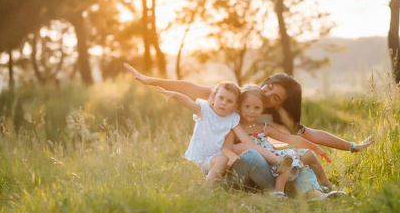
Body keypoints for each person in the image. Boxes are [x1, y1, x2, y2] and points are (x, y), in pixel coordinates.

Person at [123, 62, 374, 193]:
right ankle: (281, 189)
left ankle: (315, 191)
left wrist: (352, 146)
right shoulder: (236, 97)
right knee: (257, 154)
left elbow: (309, 134)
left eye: (274, 97)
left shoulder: (272, 120)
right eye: (268, 87)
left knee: (297, 157)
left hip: (259, 163)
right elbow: (191, 88)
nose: (266, 95)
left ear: (281, 105)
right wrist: (150, 80)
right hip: (231, 161)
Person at [154, 81, 292, 187]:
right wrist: (176, 95)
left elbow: (246, 140)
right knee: (223, 159)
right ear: (214, 97)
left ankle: (278, 162)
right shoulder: (205, 111)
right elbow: (189, 103)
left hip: (221, 155)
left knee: (248, 146)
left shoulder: (232, 118)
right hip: (206, 158)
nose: (224, 103)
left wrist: (251, 147)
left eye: (229, 101)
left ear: (235, 105)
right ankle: (207, 188)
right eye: (221, 98)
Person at [223, 84, 332, 199]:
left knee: (308, 153)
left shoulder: (264, 127)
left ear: (263, 108)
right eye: (247, 107)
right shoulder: (235, 128)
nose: (251, 111)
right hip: (263, 164)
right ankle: (280, 191)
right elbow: (228, 148)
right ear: (239, 106)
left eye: (257, 108)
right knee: (291, 157)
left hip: (275, 157)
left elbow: (289, 138)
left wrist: (314, 146)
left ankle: (327, 184)